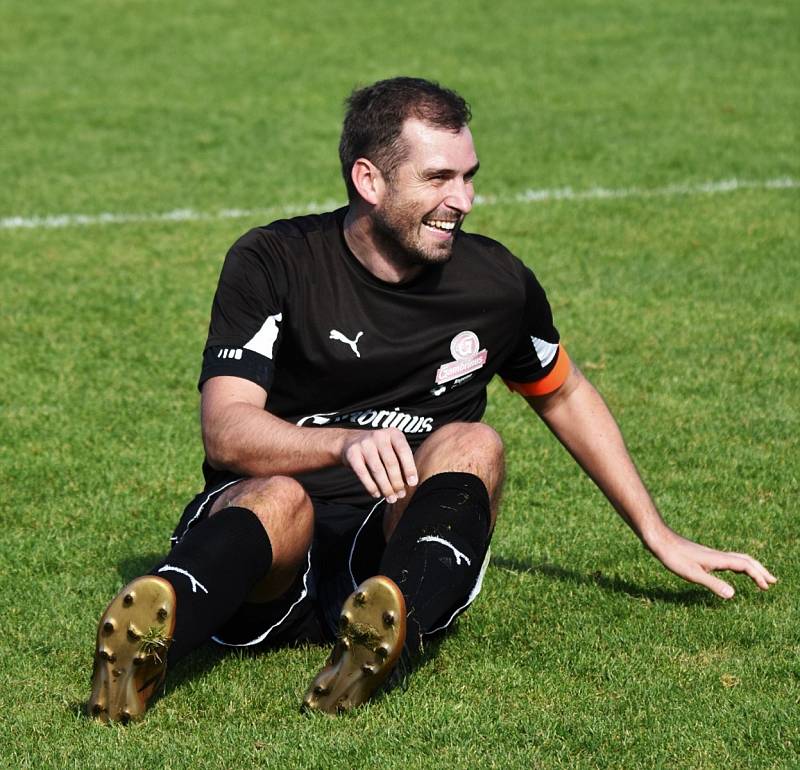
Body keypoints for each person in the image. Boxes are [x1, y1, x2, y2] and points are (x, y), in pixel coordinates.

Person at [88, 76, 777, 723]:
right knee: (282, 499)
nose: (465, 199)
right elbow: (226, 430)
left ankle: (385, 627)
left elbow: (563, 392)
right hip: (271, 554)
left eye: (469, 176)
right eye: (439, 178)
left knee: (476, 442)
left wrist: (656, 533)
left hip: (391, 539)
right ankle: (152, 638)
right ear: (369, 179)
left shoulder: (496, 284)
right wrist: (343, 442)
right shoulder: (276, 260)